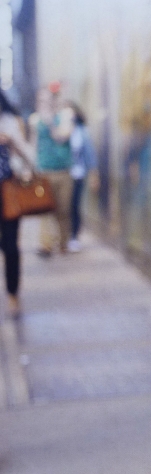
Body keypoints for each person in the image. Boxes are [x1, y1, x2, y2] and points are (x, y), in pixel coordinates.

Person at [0, 89, 35, 315]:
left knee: (11, 246)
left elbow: (29, 155)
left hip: (8, 191)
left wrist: (11, 141)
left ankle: (13, 294)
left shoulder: (10, 122)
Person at [30, 86, 74, 256]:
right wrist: (31, 167)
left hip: (63, 170)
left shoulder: (65, 116)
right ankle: (46, 244)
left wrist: (50, 123)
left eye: (47, 100)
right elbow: (33, 145)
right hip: (44, 171)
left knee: (63, 210)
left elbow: (62, 137)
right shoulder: (35, 120)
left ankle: (63, 243)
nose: (44, 103)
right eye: (41, 101)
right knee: (44, 209)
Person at [66, 102, 97, 252]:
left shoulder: (82, 131)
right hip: (63, 173)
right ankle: (63, 235)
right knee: (63, 206)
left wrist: (93, 173)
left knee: (75, 205)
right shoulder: (59, 130)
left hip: (78, 174)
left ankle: (74, 236)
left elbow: (89, 153)